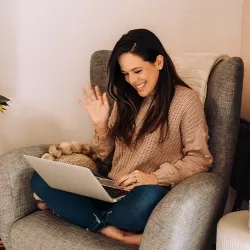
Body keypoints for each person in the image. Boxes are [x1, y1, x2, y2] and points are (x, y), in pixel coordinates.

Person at [31, 29, 213, 246]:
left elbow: (200, 159)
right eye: (126, 74)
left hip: (141, 194)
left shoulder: (186, 100)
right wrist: (100, 126)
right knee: (40, 178)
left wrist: (153, 178)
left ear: (159, 62)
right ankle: (109, 229)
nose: (132, 80)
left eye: (137, 71)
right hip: (110, 187)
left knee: (148, 198)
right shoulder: (126, 99)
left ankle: (89, 218)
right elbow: (105, 155)